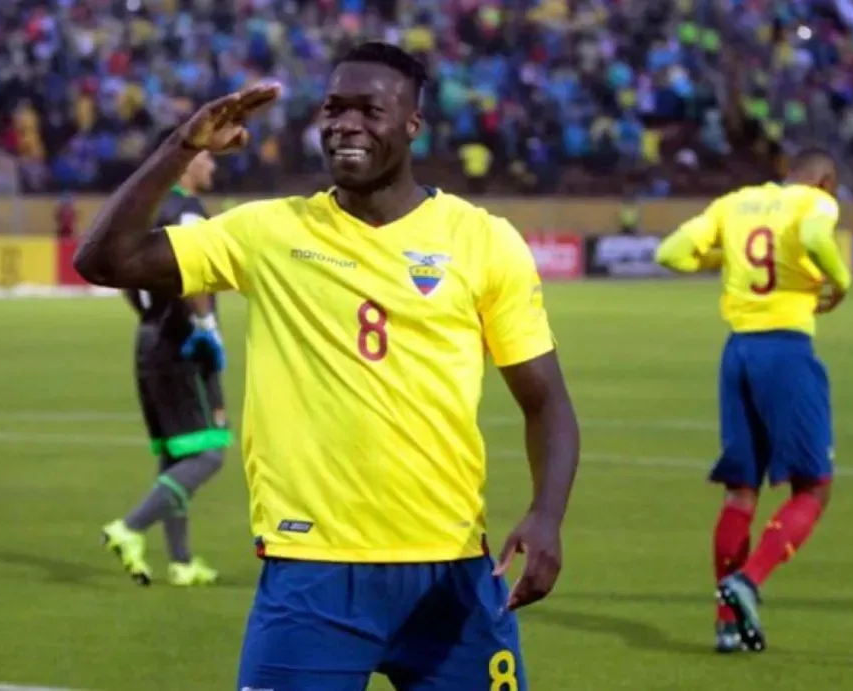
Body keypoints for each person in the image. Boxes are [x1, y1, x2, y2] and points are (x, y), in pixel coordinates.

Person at [75, 42, 580, 690]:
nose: (345, 123)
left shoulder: (483, 241)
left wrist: (547, 514)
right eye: (334, 109)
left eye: (370, 110)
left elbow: (547, 401)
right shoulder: (267, 233)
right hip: (311, 577)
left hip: (450, 575)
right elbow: (104, 259)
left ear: (411, 126)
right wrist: (183, 144)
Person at [655, 148, 853, 654]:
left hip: (737, 353)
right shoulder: (814, 203)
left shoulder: (735, 204)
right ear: (825, 181)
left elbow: (671, 253)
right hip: (786, 350)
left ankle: (727, 626)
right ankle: (749, 580)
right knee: (813, 486)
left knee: (740, 491)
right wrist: (841, 279)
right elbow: (812, 237)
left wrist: (726, 259)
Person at [101, 149, 230, 588]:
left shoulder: (150, 210)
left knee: (176, 453)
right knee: (210, 453)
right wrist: (207, 325)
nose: (213, 167)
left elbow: (116, 267)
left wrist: (146, 313)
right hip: (183, 342)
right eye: (208, 159)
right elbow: (193, 270)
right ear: (188, 164)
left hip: (151, 340)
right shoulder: (188, 211)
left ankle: (181, 561)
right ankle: (130, 528)